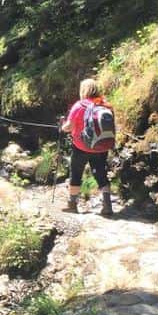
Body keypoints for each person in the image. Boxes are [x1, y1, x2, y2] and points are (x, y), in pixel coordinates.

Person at [61, 78, 115, 217]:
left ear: (83, 90)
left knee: (76, 173)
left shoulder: (80, 106)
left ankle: (72, 204)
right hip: (101, 146)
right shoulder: (106, 105)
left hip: (81, 146)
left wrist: (62, 126)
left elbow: (69, 127)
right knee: (101, 173)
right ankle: (107, 204)